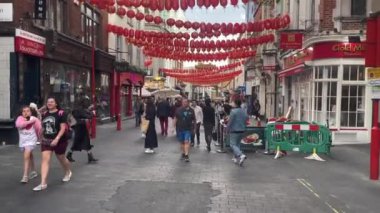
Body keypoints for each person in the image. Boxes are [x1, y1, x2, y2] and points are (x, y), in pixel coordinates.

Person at [33, 97, 72, 191]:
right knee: (45, 160)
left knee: (61, 158)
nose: (49, 103)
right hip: (46, 140)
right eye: (48, 102)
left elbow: (63, 128)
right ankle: (43, 183)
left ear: (56, 104)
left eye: (52, 102)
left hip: (59, 140)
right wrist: (40, 136)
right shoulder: (45, 113)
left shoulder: (61, 113)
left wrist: (57, 139)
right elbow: (43, 126)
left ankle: (68, 171)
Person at [15, 106, 42, 183]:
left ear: (31, 112)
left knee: (26, 156)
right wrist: (30, 122)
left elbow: (39, 130)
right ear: (21, 113)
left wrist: (40, 139)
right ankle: (33, 171)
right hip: (23, 141)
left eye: (28, 111)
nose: (26, 113)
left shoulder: (35, 119)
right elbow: (19, 125)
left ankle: (25, 176)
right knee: (29, 155)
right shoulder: (19, 118)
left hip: (31, 141)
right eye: (24, 111)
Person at [226, 98, 248, 166]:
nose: (231, 103)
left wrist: (227, 129)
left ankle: (241, 155)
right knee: (237, 144)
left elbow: (230, 122)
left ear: (235, 103)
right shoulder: (243, 111)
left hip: (234, 130)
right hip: (242, 130)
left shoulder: (233, 111)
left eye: (232, 102)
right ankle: (236, 158)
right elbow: (246, 118)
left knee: (232, 144)